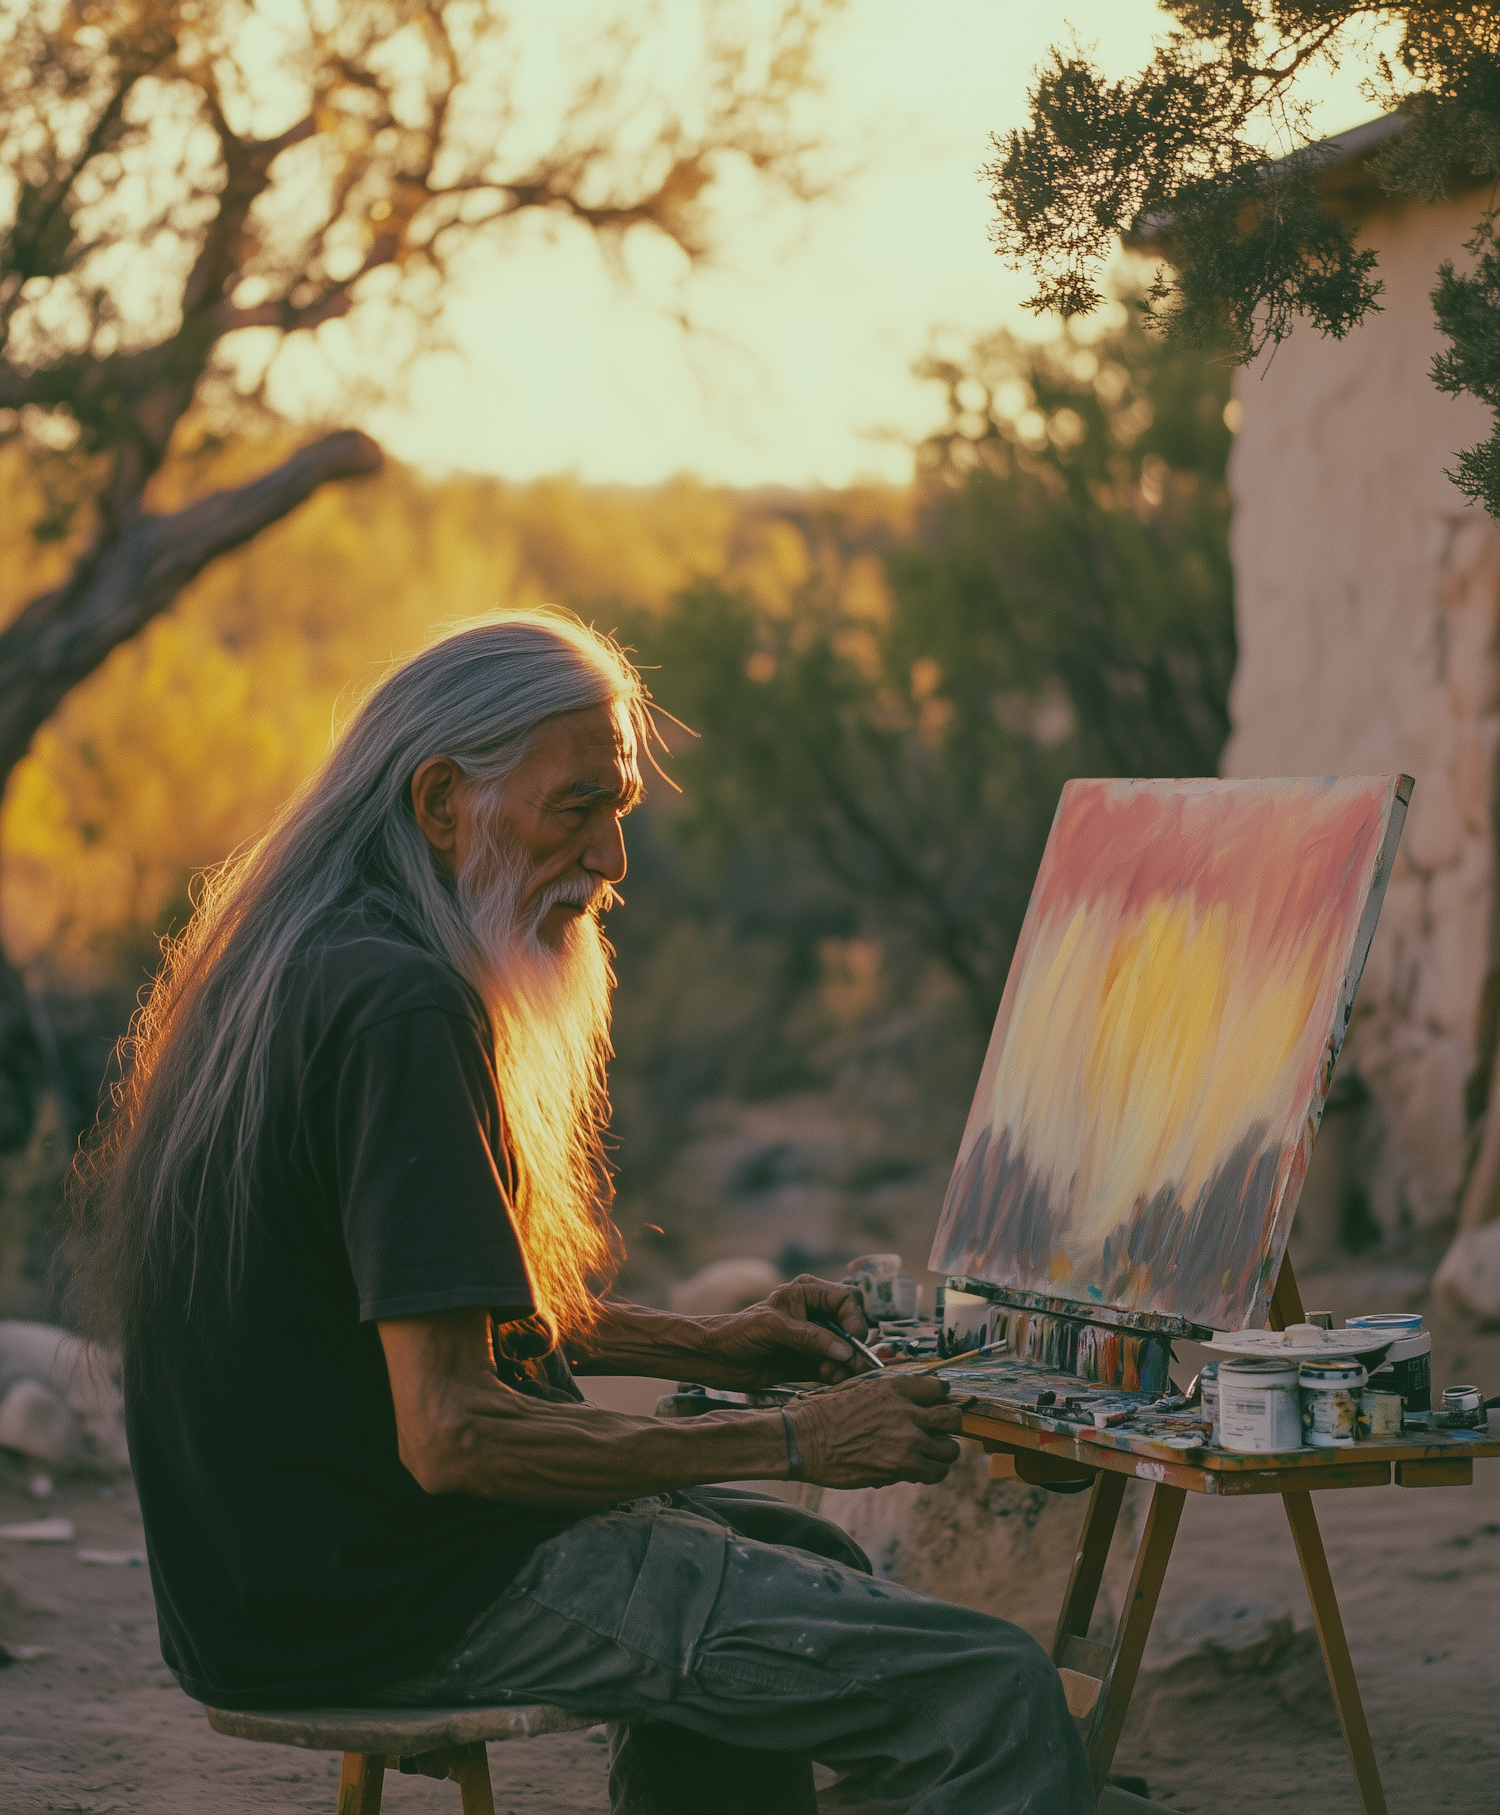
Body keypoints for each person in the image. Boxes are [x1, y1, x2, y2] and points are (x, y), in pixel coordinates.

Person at [70, 612, 1093, 1814]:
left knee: (806, 1558)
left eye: (620, 812)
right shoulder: (399, 1005)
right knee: (990, 1687)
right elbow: (452, 1432)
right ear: (442, 801)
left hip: (276, 1580)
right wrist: (801, 1441)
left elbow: (404, 1313)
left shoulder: (310, 956)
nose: (612, 857)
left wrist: (710, 1343)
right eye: (575, 809)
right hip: (395, 1594)